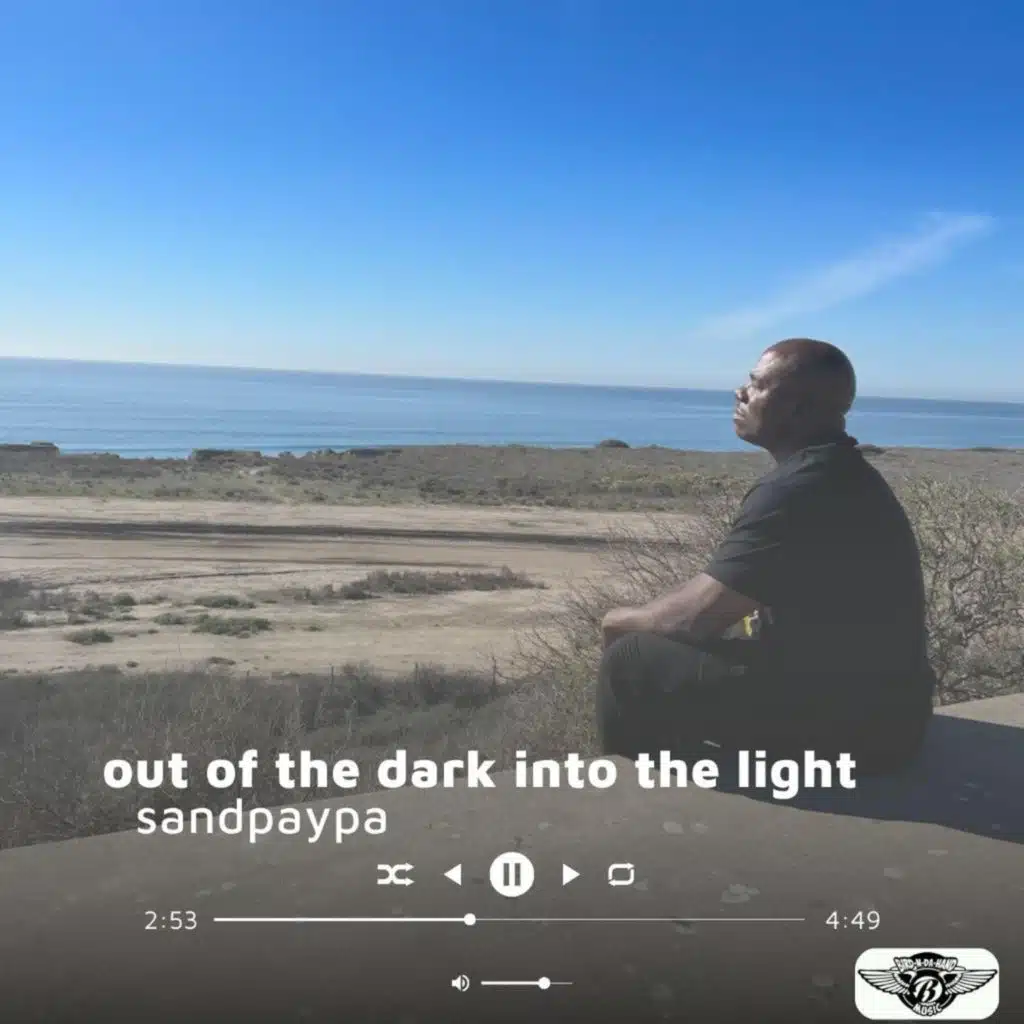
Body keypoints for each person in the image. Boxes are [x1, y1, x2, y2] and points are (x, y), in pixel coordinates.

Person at [596, 338, 936, 776]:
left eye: (756, 385)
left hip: (852, 736)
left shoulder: (795, 490)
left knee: (630, 657)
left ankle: (633, 795)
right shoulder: (842, 473)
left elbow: (692, 619)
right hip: (891, 718)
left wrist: (615, 621)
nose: (740, 393)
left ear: (797, 408)